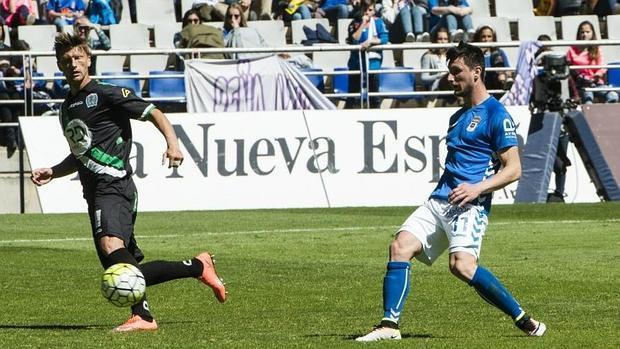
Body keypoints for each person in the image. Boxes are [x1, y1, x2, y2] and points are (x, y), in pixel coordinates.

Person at [30, 33, 227, 332]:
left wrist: (173, 144)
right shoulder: (66, 107)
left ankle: (188, 276)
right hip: (94, 192)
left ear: (89, 59)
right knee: (118, 265)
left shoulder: (108, 93)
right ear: (59, 64)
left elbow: (154, 113)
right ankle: (156, 305)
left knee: (113, 252)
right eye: (67, 60)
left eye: (78, 57)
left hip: (114, 186)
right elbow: (80, 153)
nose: (73, 64)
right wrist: (54, 171)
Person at [355, 41, 547, 342]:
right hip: (440, 200)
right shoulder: (456, 118)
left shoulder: (497, 114)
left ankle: (522, 318)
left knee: (461, 266)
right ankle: (389, 326)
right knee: (400, 247)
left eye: (456, 71)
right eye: (449, 71)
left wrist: (477, 188)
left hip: (470, 205)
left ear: (476, 72)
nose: (450, 77)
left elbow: (513, 169)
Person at [345, 0, 388, 109]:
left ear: (374, 11)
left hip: (373, 64)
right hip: (356, 64)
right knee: (352, 97)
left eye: (370, 10)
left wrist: (372, 42)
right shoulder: (354, 23)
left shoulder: (379, 23)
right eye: (365, 10)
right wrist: (363, 24)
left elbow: (384, 38)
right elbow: (354, 39)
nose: (367, 12)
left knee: (374, 96)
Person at [566, 20, 618, 104]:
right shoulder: (572, 49)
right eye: (582, 32)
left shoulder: (597, 48)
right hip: (581, 84)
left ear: (592, 33)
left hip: (597, 83)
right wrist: (580, 77)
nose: (584, 34)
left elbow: (602, 66)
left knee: (613, 96)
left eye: (587, 32)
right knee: (588, 100)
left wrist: (598, 75)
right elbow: (568, 67)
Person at [472, 25, 513, 93]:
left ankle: (504, 83)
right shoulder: (474, 54)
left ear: (493, 38)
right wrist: (480, 53)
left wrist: (504, 74)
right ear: (478, 38)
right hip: (480, 87)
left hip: (497, 85)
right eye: (483, 37)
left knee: (496, 55)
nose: (486, 39)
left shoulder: (499, 52)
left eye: (489, 36)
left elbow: (509, 70)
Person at [420, 26, 448, 91]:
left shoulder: (450, 56)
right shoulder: (428, 56)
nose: (443, 41)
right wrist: (439, 76)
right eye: (440, 39)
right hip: (436, 87)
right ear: (435, 40)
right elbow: (423, 78)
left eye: (445, 39)